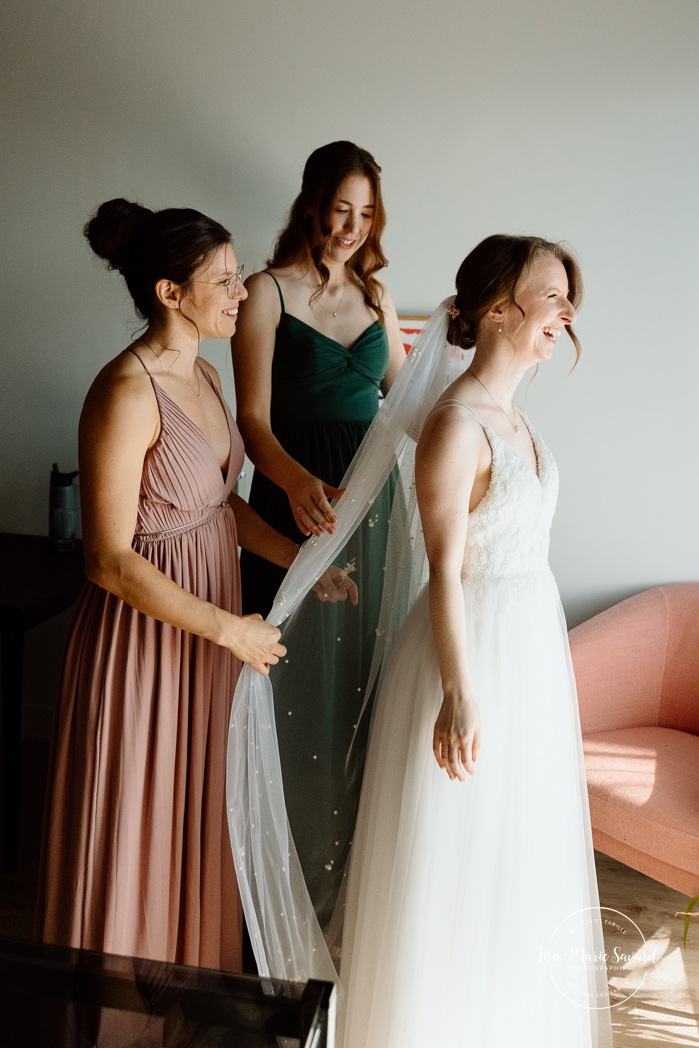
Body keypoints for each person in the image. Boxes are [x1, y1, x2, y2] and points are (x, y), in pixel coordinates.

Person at [338, 236, 613, 1046]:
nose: (565, 312)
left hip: (528, 646)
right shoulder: (455, 426)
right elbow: (445, 571)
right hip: (470, 654)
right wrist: (460, 693)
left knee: (518, 850)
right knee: (457, 856)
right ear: (497, 310)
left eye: (569, 297)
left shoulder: (516, 415)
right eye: (550, 295)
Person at [36, 198, 304, 971]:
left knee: (197, 810)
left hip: (211, 632)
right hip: (146, 641)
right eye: (223, 280)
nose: (241, 292)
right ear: (169, 293)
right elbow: (108, 559)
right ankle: (121, 1018)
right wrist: (233, 630)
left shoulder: (209, 376)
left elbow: (219, 509)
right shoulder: (124, 392)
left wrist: (301, 565)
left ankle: (189, 1004)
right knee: (139, 816)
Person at [231, 141, 405, 925]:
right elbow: (251, 421)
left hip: (369, 507)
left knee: (359, 682)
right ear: (311, 203)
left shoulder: (376, 295)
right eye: (340, 208)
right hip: (292, 503)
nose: (350, 226)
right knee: (284, 677)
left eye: (364, 213)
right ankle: (273, 869)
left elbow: (408, 404)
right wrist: (295, 479)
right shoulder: (264, 292)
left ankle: (343, 871)